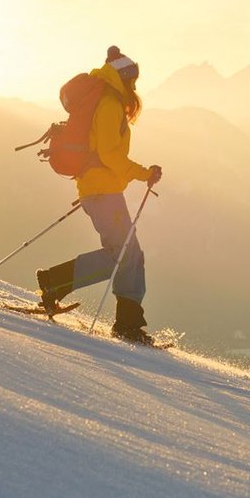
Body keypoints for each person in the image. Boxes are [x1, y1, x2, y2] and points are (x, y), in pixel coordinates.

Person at [35, 46, 163, 345]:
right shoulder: (110, 104)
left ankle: (127, 320)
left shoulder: (108, 99)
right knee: (122, 254)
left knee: (128, 254)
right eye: (132, 80)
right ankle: (56, 283)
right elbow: (109, 154)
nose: (134, 87)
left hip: (102, 189)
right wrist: (144, 173)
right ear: (124, 77)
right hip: (102, 190)